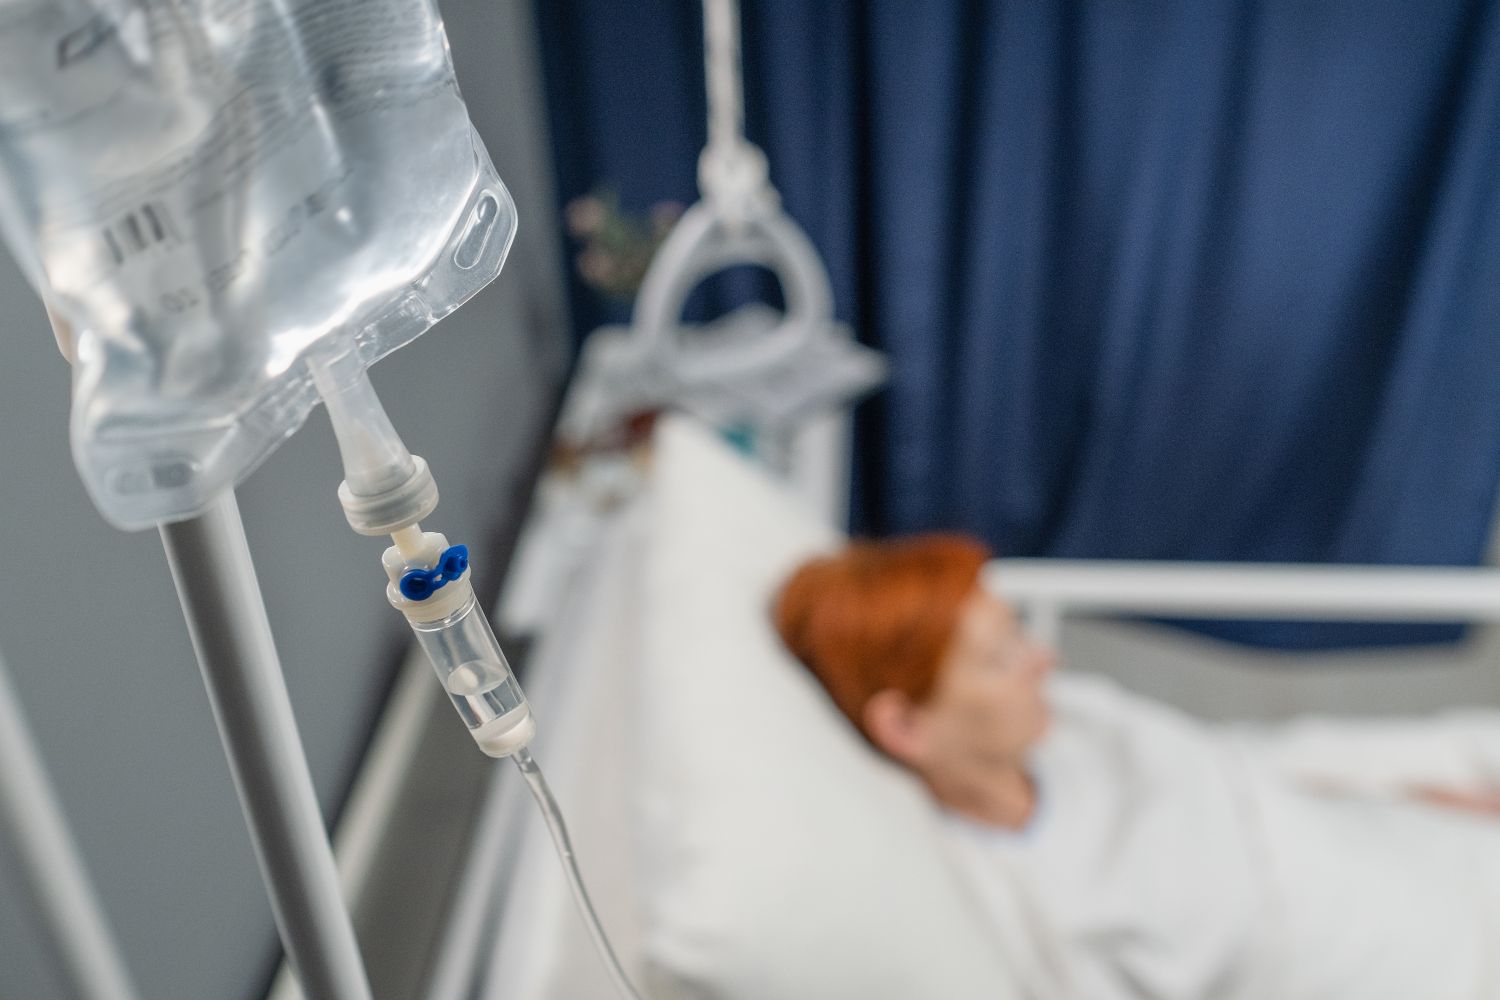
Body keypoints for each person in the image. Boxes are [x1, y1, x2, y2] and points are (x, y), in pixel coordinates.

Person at [773, 534, 1500, 1000]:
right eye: (1001, 657)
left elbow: (1250, 765)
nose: (1044, 659)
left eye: (1020, 632)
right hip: (1416, 965)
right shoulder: (1009, 907)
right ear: (906, 725)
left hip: (1424, 845)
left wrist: (1428, 792)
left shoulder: (1074, 723)